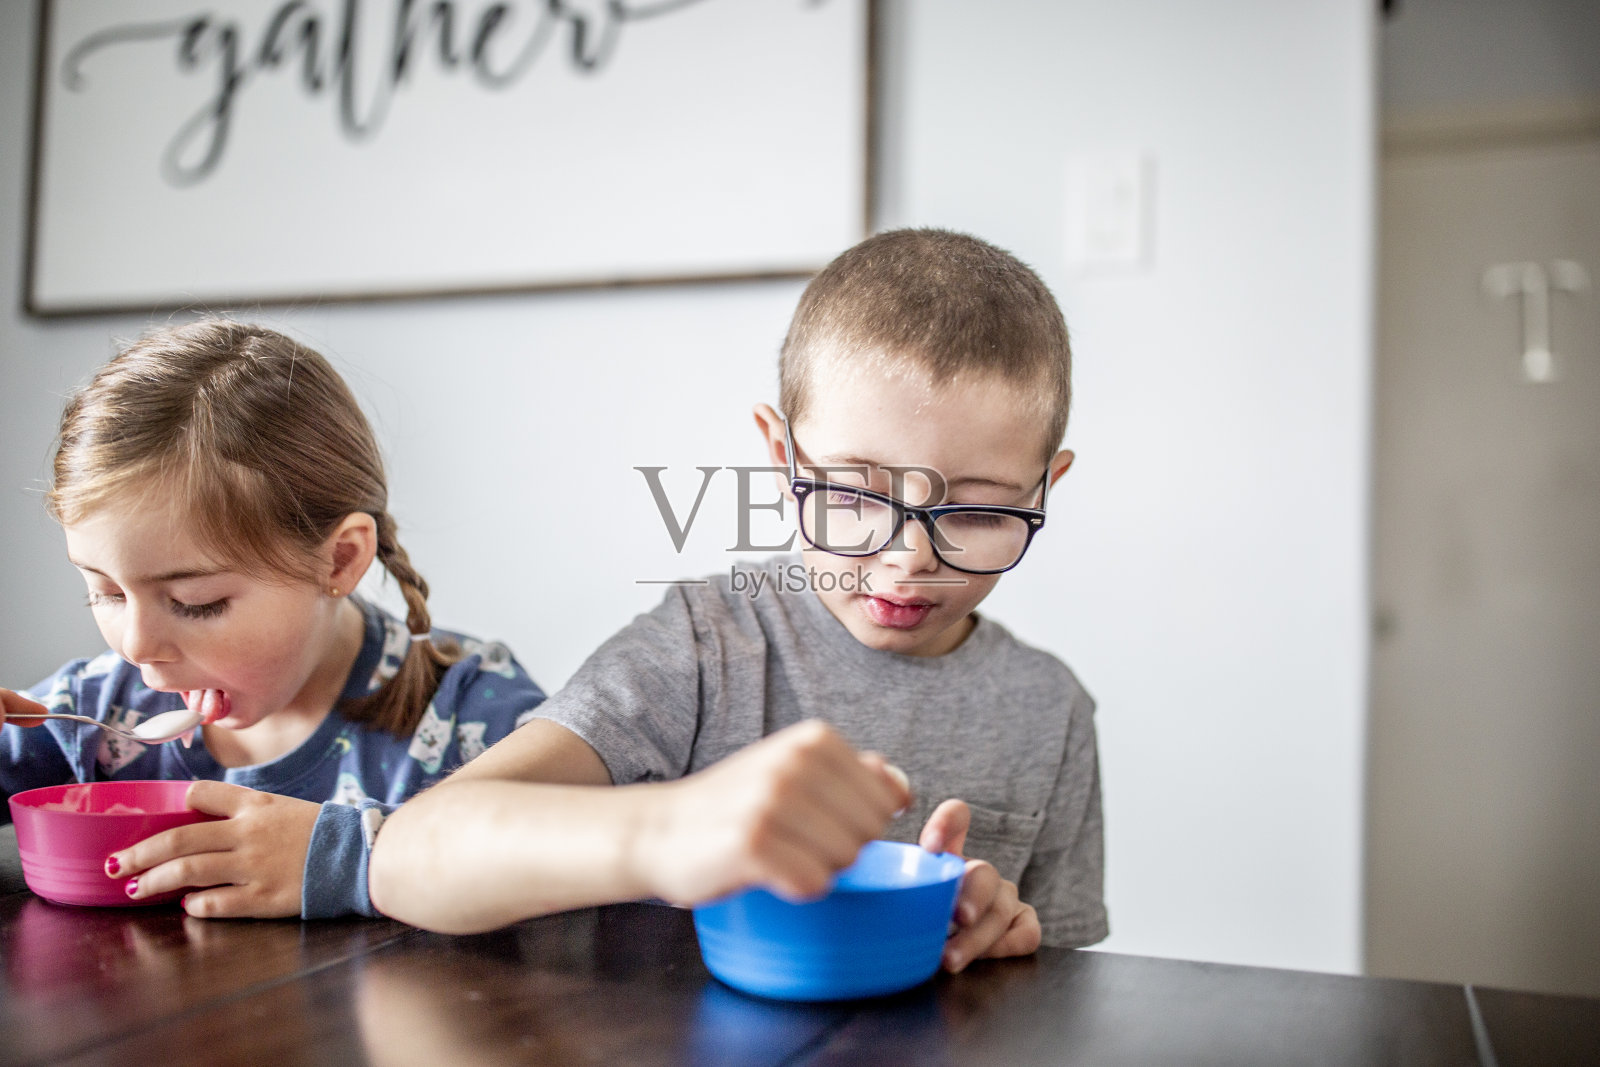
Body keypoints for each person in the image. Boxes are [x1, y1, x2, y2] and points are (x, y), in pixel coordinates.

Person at [370, 229, 1106, 971]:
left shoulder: (1052, 710)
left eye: (978, 511)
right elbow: (408, 853)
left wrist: (1009, 937)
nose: (909, 557)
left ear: (1045, 489)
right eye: (854, 494)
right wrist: (670, 832)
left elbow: (1066, 981)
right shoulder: (703, 647)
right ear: (784, 458)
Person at [0, 320, 544, 920]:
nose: (138, 646)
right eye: (103, 593)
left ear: (339, 559)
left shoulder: (469, 708)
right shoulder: (91, 715)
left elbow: (589, 857)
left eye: (195, 602)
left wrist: (343, 858)